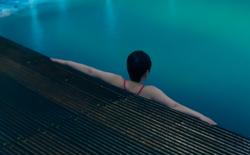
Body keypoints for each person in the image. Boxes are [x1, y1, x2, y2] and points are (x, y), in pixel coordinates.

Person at [52, 50, 216, 125]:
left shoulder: (117, 80)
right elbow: (174, 105)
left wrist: (63, 62)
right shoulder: (149, 91)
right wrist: (201, 117)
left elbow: (90, 71)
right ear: (147, 72)